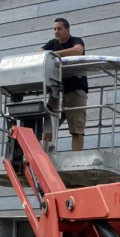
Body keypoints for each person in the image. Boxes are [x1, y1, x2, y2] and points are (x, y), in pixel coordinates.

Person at [40, 17, 89, 151]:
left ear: (67, 29)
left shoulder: (75, 41)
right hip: (56, 93)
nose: (56, 32)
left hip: (75, 91)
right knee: (47, 128)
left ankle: (76, 159)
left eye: (60, 29)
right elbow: (38, 55)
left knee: (76, 129)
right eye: (55, 29)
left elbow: (78, 50)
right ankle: (44, 159)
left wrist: (53, 55)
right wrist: (50, 54)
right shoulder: (52, 43)